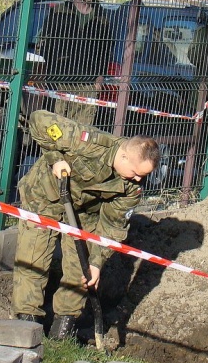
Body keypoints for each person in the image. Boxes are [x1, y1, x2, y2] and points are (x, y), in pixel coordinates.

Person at [12, 109, 160, 339]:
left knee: (80, 269)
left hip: (84, 212)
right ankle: (26, 324)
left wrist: (97, 263)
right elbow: (38, 119)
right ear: (122, 156)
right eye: (134, 173)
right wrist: (55, 158)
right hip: (44, 196)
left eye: (143, 175)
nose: (138, 179)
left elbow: (113, 225)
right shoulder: (88, 142)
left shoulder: (132, 187)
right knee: (34, 257)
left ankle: (63, 329)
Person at [36, 0, 114, 126]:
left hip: (87, 85)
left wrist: (100, 76)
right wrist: (49, 72)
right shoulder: (59, 13)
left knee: (81, 134)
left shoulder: (102, 18)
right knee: (56, 129)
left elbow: (106, 49)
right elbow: (43, 43)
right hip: (60, 81)